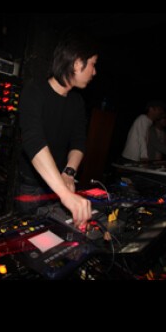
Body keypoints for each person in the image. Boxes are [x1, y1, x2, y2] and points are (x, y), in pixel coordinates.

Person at [16, 30, 99, 228]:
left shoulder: (77, 102)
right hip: (32, 187)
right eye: (93, 64)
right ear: (78, 63)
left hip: (61, 183)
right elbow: (33, 141)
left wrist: (69, 173)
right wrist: (65, 194)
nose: (94, 72)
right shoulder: (34, 91)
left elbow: (79, 141)